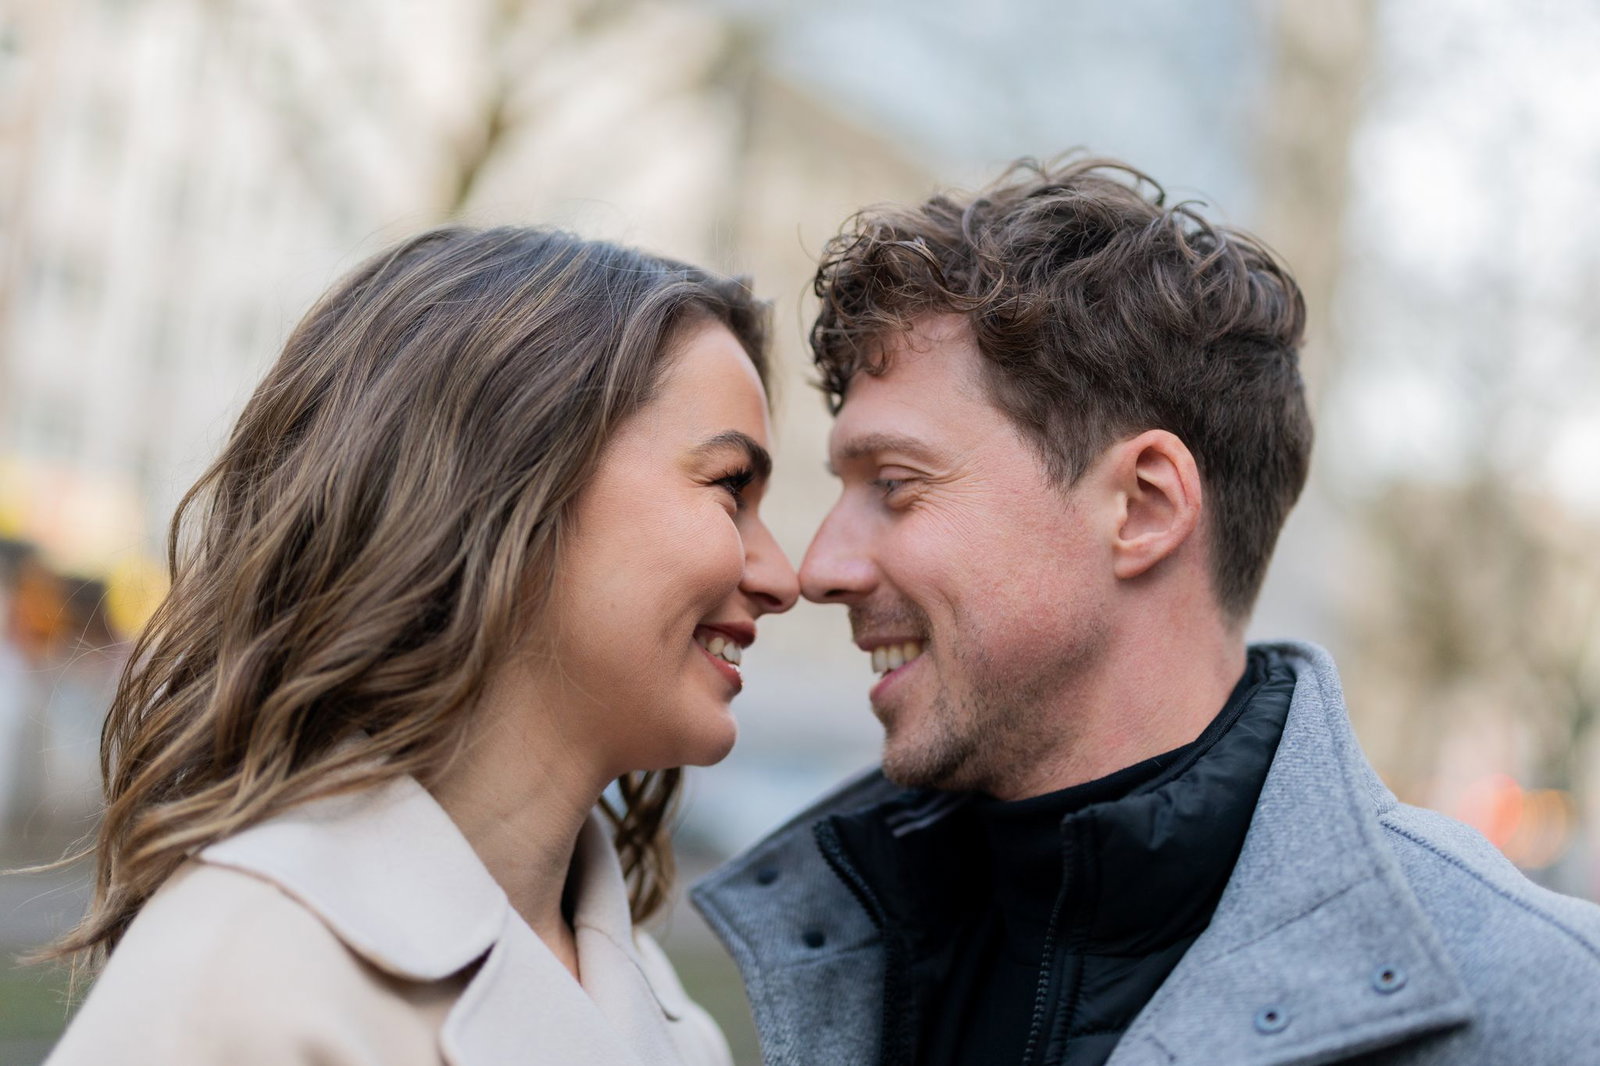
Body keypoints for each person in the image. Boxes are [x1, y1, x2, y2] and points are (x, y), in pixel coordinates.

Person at [692, 158, 1600, 1066]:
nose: (819, 569)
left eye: (895, 485)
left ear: (1144, 507)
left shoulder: (1547, 1010)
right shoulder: (842, 941)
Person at [42, 226, 799, 1065]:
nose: (783, 576)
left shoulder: (676, 1027)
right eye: (731, 487)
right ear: (513, 479)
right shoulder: (240, 975)